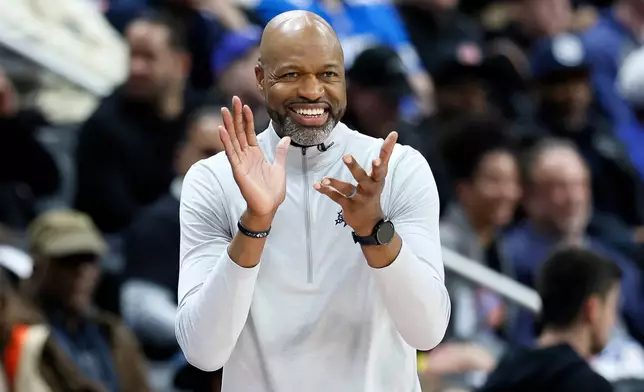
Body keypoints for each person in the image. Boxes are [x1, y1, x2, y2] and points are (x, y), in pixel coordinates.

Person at [176, 10, 451, 392]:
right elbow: (204, 351)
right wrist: (255, 222)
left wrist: (374, 231)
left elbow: (427, 331)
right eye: (291, 74)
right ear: (260, 78)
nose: (311, 91)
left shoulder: (399, 169)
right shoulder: (213, 179)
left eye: (328, 74)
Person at [478, 247, 618, 392]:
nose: (613, 321)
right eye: (613, 308)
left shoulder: (505, 368)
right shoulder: (591, 386)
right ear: (592, 309)